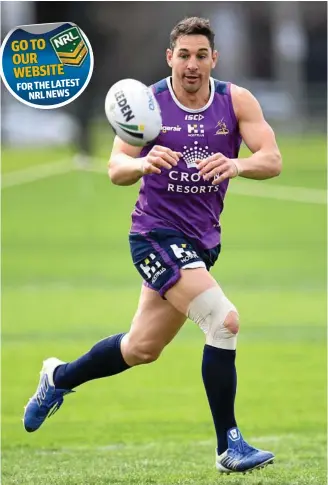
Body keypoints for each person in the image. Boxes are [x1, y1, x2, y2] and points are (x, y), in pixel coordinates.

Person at [23, 17, 282, 475]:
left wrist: (237, 167)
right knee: (224, 321)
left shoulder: (235, 100)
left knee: (140, 348)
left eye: (201, 55)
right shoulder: (149, 102)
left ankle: (57, 377)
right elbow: (115, 168)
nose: (192, 64)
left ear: (213, 60)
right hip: (153, 236)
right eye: (183, 54)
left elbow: (272, 159)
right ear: (170, 58)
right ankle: (230, 446)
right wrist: (143, 164)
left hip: (202, 243)